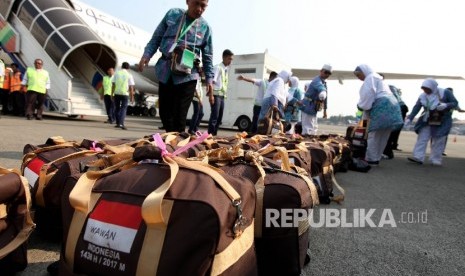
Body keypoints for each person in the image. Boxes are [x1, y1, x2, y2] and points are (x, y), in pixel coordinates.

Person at [138, 0, 214, 133]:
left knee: (179, 116)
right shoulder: (172, 15)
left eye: (203, 6)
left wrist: (209, 80)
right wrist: (147, 55)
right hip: (166, 71)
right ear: (187, 1)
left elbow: (208, 56)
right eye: (196, 3)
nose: (199, 9)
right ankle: (171, 141)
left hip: (188, 75)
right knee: (165, 114)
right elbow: (157, 37)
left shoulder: (205, 28)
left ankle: (176, 147)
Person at [353, 64, 403, 166]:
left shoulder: (369, 78)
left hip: (381, 108)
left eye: (359, 75)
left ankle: (371, 159)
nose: (358, 78)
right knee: (384, 134)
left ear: (364, 72)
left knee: (373, 135)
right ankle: (376, 158)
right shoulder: (379, 79)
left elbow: (367, 98)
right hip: (393, 107)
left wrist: (360, 106)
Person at [405, 79, 458, 166]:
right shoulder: (423, 96)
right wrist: (410, 118)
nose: (425, 90)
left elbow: (455, 103)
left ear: (432, 87)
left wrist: (446, 105)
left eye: (427, 88)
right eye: (424, 88)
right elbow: (417, 107)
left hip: (442, 120)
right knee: (422, 138)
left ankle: (435, 159)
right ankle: (418, 157)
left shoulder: (445, 92)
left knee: (438, 140)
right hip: (427, 120)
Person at [299, 64, 332, 135]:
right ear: (321, 71)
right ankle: (306, 143)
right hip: (308, 106)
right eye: (326, 72)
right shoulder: (317, 81)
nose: (327, 74)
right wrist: (323, 93)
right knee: (308, 128)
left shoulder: (323, 82)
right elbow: (321, 89)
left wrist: (325, 110)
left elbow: (325, 97)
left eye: (329, 73)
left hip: (312, 107)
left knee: (313, 127)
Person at [208, 49, 234, 135]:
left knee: (219, 117)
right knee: (214, 116)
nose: (231, 61)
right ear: (224, 57)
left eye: (231, 59)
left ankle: (214, 135)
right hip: (216, 95)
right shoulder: (217, 67)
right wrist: (211, 96)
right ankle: (209, 136)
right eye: (229, 59)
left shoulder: (225, 69)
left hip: (222, 96)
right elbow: (211, 82)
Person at [382, 85, 409, 158]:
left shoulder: (384, 89)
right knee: (394, 131)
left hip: (397, 108)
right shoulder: (390, 87)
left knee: (388, 131)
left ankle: (387, 152)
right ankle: (391, 148)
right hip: (401, 107)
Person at [112, 62, 135, 130]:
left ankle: (118, 123)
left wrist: (112, 94)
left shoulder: (116, 73)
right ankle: (121, 123)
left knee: (117, 108)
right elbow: (131, 87)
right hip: (125, 94)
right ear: (128, 68)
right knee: (123, 109)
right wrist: (132, 97)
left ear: (122, 67)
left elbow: (113, 84)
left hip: (117, 93)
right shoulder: (129, 75)